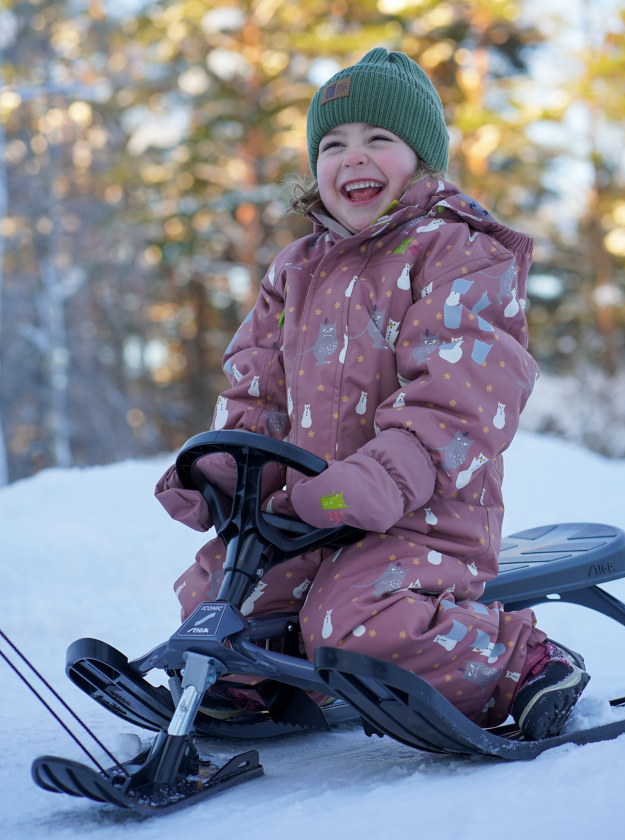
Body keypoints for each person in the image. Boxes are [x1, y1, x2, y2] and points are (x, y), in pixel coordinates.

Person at [155, 49, 590, 740]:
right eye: (333, 144)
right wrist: (221, 475)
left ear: (420, 159)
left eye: (378, 140)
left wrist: (383, 476)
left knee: (353, 619)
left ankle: (520, 662)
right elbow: (255, 391)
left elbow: (461, 399)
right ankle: (257, 678)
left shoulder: (459, 253)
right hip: (312, 507)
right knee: (217, 591)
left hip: (423, 515)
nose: (352, 157)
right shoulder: (294, 269)